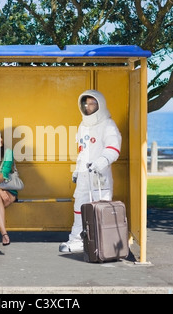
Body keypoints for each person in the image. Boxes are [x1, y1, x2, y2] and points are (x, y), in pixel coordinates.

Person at [59, 90, 122, 253]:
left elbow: (113, 149)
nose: (88, 107)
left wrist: (100, 163)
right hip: (84, 174)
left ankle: (103, 242)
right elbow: (82, 151)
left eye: (92, 103)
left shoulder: (108, 125)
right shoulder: (83, 126)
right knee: (80, 205)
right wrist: (77, 171)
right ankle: (77, 240)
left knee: (100, 208)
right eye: (86, 103)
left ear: (99, 104)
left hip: (100, 175)